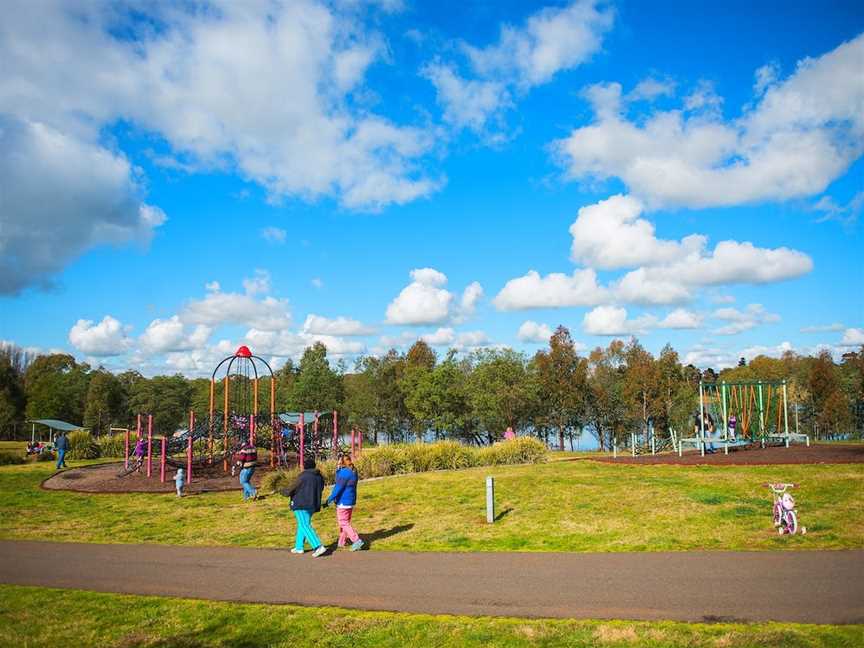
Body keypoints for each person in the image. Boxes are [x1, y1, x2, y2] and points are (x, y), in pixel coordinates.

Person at [282, 456, 326, 557]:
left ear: (305, 467)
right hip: (313, 504)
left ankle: (318, 546)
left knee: (305, 525)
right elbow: (321, 488)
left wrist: (283, 491)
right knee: (303, 524)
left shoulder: (303, 476)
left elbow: (292, 488)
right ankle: (299, 547)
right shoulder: (319, 477)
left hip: (301, 503)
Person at [324, 454, 364, 552]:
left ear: (342, 462)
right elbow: (339, 480)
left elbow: (337, 487)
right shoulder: (353, 471)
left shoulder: (344, 473)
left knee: (343, 522)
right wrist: (338, 469)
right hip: (350, 500)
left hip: (343, 501)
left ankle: (356, 540)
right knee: (345, 522)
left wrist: (328, 500)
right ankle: (341, 542)